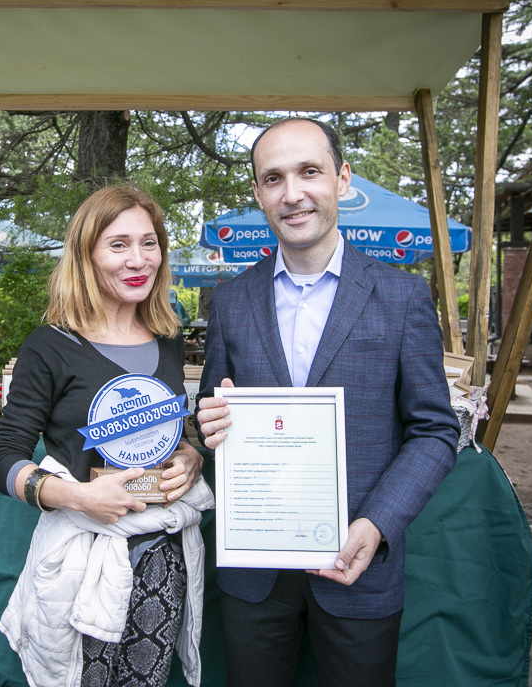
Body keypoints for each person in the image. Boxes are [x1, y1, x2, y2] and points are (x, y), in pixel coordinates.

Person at [196, 118, 459, 687]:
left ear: (341, 179)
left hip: (358, 562)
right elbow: (208, 417)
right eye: (273, 178)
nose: (292, 193)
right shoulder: (231, 300)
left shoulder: (402, 296)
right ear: (258, 193)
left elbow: (436, 431)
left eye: (309, 172)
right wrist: (209, 425)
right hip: (253, 570)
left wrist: (377, 522)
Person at [0, 186, 212, 687]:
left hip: (163, 557)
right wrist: (79, 497)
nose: (138, 259)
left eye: (149, 243)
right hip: (86, 558)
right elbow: (3, 460)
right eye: (118, 245)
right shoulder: (50, 346)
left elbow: (167, 432)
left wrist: (191, 455)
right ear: (86, 254)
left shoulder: (169, 338)